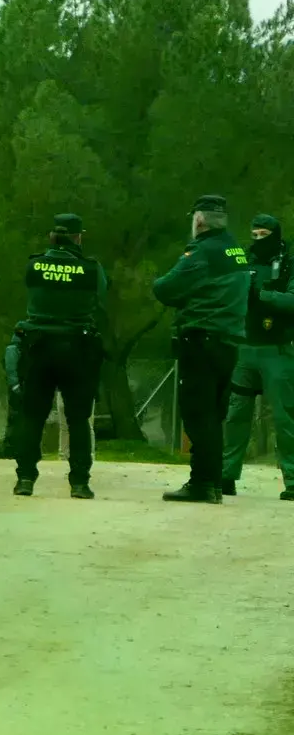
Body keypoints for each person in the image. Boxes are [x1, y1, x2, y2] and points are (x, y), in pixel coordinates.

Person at [151, 193, 251, 503]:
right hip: (229, 342)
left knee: (198, 414)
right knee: (214, 414)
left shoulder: (202, 253)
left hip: (202, 341)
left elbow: (164, 288)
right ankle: (214, 482)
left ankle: (202, 483)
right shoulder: (235, 250)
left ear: (198, 220)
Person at [9, 212, 108, 499]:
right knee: (78, 419)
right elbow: (102, 294)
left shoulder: (34, 264)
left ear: (52, 236)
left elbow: (31, 291)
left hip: (38, 347)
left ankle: (25, 479)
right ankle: (79, 482)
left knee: (32, 417)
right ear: (79, 237)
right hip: (77, 349)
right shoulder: (91, 269)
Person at [221, 213, 294, 499]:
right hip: (244, 349)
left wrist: (262, 297)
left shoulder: (289, 263)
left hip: (278, 351)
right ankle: (227, 475)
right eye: (255, 235)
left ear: (275, 235)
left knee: (285, 418)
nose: (258, 240)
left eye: (264, 235)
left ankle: (292, 479)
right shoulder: (242, 262)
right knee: (236, 414)